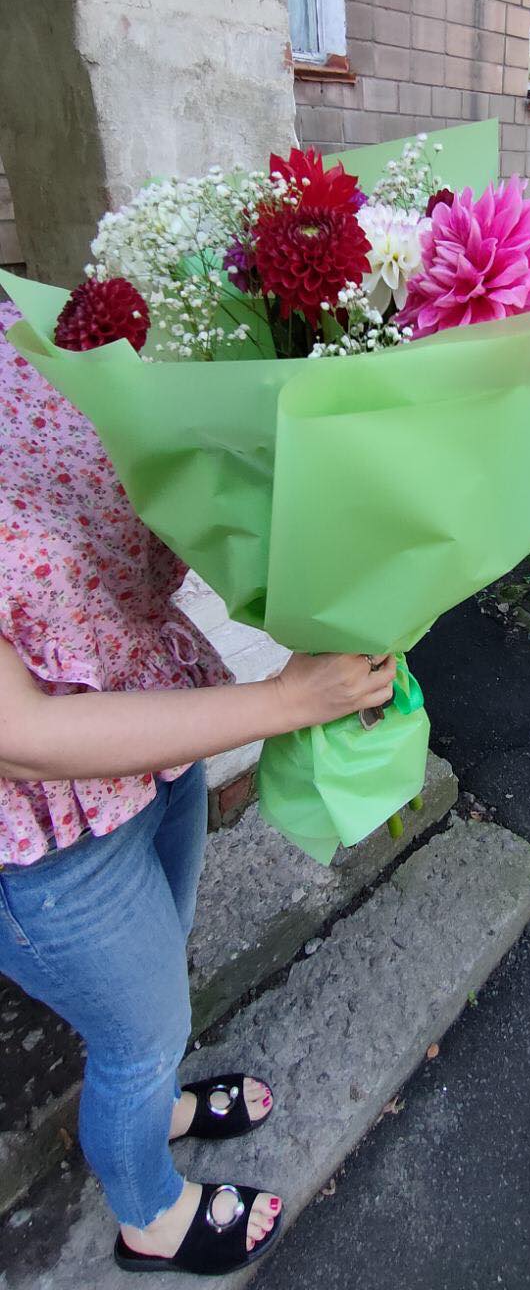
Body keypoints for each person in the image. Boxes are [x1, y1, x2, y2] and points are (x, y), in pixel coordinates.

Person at [0, 301, 396, 1276]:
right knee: (141, 1034)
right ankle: (149, 1213)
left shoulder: (21, 320)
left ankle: (157, 1103)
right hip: (50, 835)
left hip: (156, 742)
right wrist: (288, 700)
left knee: (162, 976)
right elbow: (22, 739)